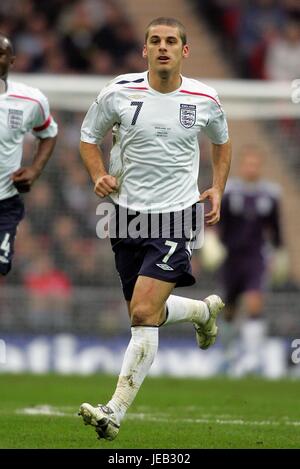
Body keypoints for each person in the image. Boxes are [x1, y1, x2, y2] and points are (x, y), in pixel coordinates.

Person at [79, 17, 231, 441]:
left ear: (184, 50)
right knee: (145, 313)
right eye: (154, 41)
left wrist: (216, 188)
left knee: (143, 314)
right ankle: (201, 311)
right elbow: (88, 137)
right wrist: (96, 174)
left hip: (177, 215)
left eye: (170, 41)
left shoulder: (204, 98)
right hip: (124, 215)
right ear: (144, 49)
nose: (162, 47)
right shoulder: (118, 93)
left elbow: (222, 140)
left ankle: (114, 412)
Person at [218, 145, 287, 374]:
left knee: (255, 302)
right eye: (248, 163)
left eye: (255, 164)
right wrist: (213, 242)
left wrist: (279, 252)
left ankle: (253, 360)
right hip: (231, 258)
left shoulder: (270, 195)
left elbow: (275, 229)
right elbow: (219, 222)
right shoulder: (230, 193)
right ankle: (227, 357)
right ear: (242, 166)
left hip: (256, 257)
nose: (252, 168)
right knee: (230, 309)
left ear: (260, 167)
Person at [0, 34, 58, 276]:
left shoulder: (30, 100)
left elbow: (48, 133)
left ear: (11, 61)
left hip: (4, 202)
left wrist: (34, 170)